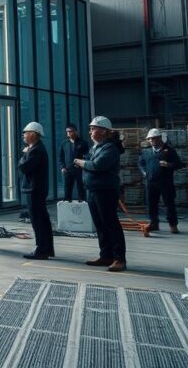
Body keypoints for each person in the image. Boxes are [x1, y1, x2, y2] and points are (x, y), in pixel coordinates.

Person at [74, 116, 128, 272]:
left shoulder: (110, 148)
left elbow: (98, 165)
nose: (90, 131)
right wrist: (84, 163)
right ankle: (106, 255)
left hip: (105, 191)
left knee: (110, 224)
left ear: (104, 131)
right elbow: (91, 162)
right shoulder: (96, 147)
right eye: (90, 128)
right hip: (93, 189)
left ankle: (119, 259)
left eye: (93, 128)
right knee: (100, 225)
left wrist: (81, 163)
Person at [19, 122, 54, 260]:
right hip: (37, 188)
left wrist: (23, 155)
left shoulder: (35, 150)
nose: (23, 135)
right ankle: (47, 248)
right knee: (42, 220)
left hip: (34, 189)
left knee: (38, 220)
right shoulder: (37, 149)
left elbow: (23, 167)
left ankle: (41, 249)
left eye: (25, 133)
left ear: (33, 134)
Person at [138, 128, 185, 233]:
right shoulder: (146, 152)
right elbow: (140, 163)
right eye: (150, 139)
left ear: (159, 138)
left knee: (169, 204)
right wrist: (144, 172)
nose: (151, 141)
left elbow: (179, 164)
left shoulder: (169, 151)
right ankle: (154, 223)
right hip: (150, 182)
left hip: (165, 182)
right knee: (151, 204)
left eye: (154, 138)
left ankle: (173, 225)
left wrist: (168, 165)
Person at [58, 124, 90, 201]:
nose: (68, 133)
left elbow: (87, 156)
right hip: (68, 170)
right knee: (67, 189)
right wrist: (62, 167)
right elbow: (60, 157)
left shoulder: (83, 143)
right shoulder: (64, 143)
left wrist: (82, 165)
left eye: (70, 131)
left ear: (75, 131)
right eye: (67, 132)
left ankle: (82, 205)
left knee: (81, 188)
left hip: (79, 170)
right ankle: (67, 205)